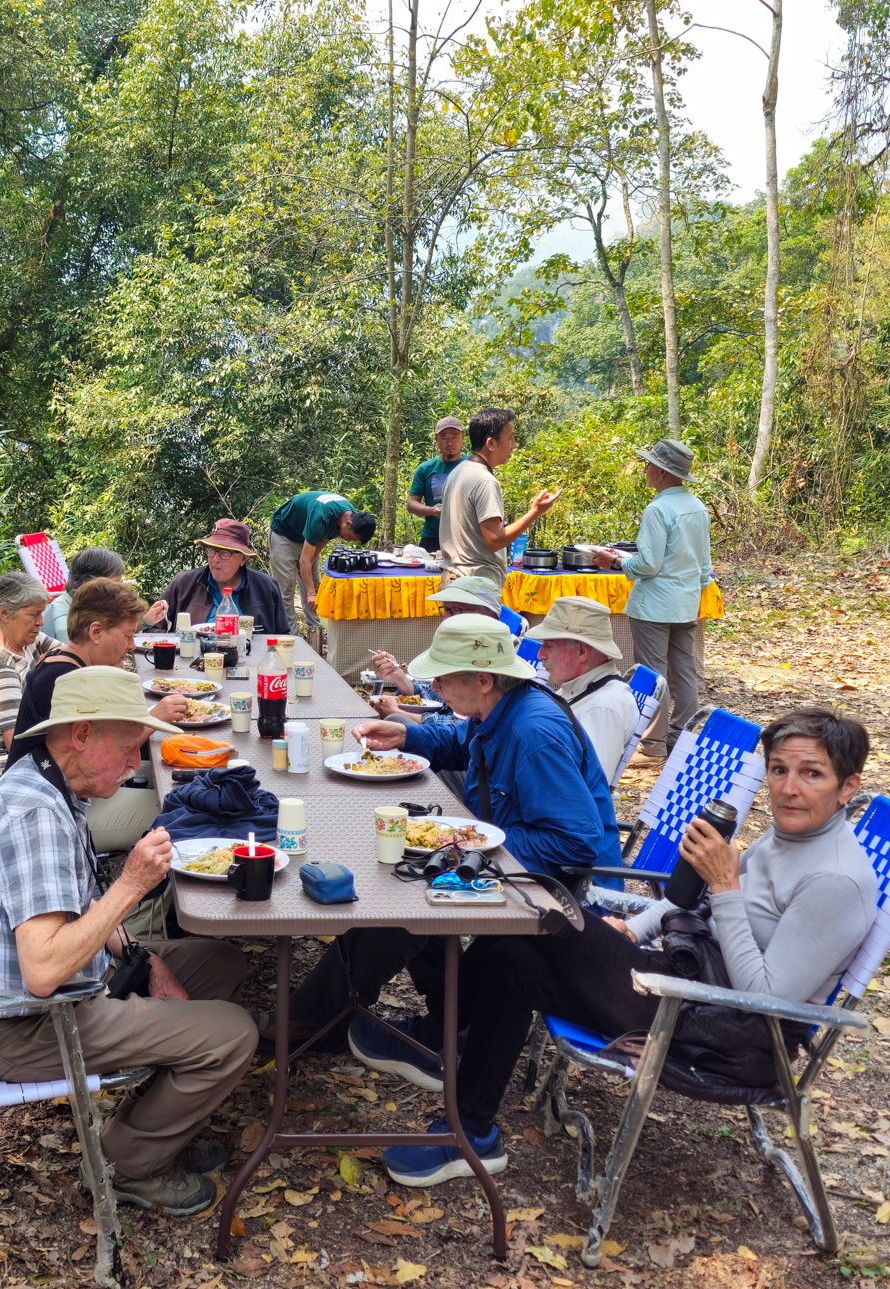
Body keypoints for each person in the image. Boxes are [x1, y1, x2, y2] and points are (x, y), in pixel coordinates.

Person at [378, 706, 877, 1186]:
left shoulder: (835, 881)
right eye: (779, 770)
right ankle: (470, 1132)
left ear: (847, 787)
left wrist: (726, 887)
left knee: (539, 915)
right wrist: (634, 930)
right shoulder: (788, 837)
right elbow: (698, 901)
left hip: (726, 1034)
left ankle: (439, 1038)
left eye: (812, 774)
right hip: (687, 985)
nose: (789, 789)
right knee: (512, 954)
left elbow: (765, 998)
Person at [0, 667, 258, 1216]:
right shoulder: (35, 814)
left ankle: (151, 1120)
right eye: (126, 748)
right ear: (82, 735)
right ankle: (124, 1165)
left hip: (71, 986)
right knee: (234, 1035)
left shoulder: (50, 779)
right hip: (21, 1024)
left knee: (219, 962)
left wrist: (142, 960)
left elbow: (79, 905)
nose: (136, 764)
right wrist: (133, 884)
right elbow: (44, 972)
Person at [270, 615, 621, 1070]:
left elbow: (577, 841)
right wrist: (407, 732)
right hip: (510, 860)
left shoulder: (534, 732)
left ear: (483, 678)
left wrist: (466, 846)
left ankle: (314, 1020)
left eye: (442, 677)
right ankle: (446, 1019)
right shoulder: (498, 708)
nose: (433, 685)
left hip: (556, 887)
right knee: (409, 876)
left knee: (401, 898)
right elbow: (464, 742)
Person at [591, 439, 712, 761]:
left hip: (654, 606)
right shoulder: (697, 507)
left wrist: (616, 561)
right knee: (684, 671)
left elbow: (649, 564)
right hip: (686, 602)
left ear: (660, 472)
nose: (644, 469)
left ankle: (652, 745)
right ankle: (681, 739)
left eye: (648, 465)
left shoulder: (658, 509)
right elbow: (704, 565)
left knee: (652, 673)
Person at [10, 579, 189, 766]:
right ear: (95, 632)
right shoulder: (69, 681)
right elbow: (108, 760)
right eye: (128, 635)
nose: (132, 645)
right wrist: (156, 718)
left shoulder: (65, 660)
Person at [437, 408, 560, 587]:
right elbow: (495, 541)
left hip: (454, 580)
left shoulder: (459, 471)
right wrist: (535, 512)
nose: (514, 445)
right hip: (474, 585)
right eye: (510, 438)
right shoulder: (484, 480)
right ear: (491, 443)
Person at [526, 596, 640, 783]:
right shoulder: (579, 689)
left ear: (582, 652)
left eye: (549, 645)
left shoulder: (602, 708)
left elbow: (588, 787)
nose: (540, 654)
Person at [367, 575, 502, 722]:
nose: (446, 619)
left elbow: (463, 729)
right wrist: (399, 678)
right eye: (446, 610)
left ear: (489, 616)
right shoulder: (461, 646)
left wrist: (400, 714)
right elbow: (441, 697)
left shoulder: (495, 656)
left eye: (456, 610)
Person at [0, 572, 63, 754]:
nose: (40, 622)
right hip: (6, 765)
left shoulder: (26, 639)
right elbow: (18, 745)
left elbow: (70, 657)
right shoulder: (1, 669)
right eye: (34, 614)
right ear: (4, 613)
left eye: (42, 613)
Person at [149, 519, 291, 634]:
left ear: (243, 559)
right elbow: (152, 628)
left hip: (250, 664)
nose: (215, 559)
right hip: (190, 663)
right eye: (211, 551)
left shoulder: (266, 587)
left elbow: (283, 636)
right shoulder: (184, 584)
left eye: (224, 553)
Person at [267, 491, 376, 631]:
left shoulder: (351, 517)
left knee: (315, 585)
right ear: (348, 523)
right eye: (351, 537)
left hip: (309, 538)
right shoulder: (321, 516)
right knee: (285, 589)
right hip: (284, 534)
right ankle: (289, 635)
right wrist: (310, 592)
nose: (349, 540)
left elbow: (326, 536)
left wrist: (311, 561)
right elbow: (304, 560)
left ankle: (316, 631)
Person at [41, 548, 168, 643]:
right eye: (114, 583)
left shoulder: (90, 604)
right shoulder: (65, 625)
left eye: (120, 583)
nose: (119, 589)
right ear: (89, 582)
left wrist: (145, 621)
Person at [405, 416, 468, 554]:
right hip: (432, 537)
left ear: (463, 437)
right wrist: (432, 511)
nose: (450, 442)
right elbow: (411, 504)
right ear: (436, 440)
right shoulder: (426, 469)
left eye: (455, 436)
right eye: (444, 437)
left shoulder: (474, 466)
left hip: (466, 538)